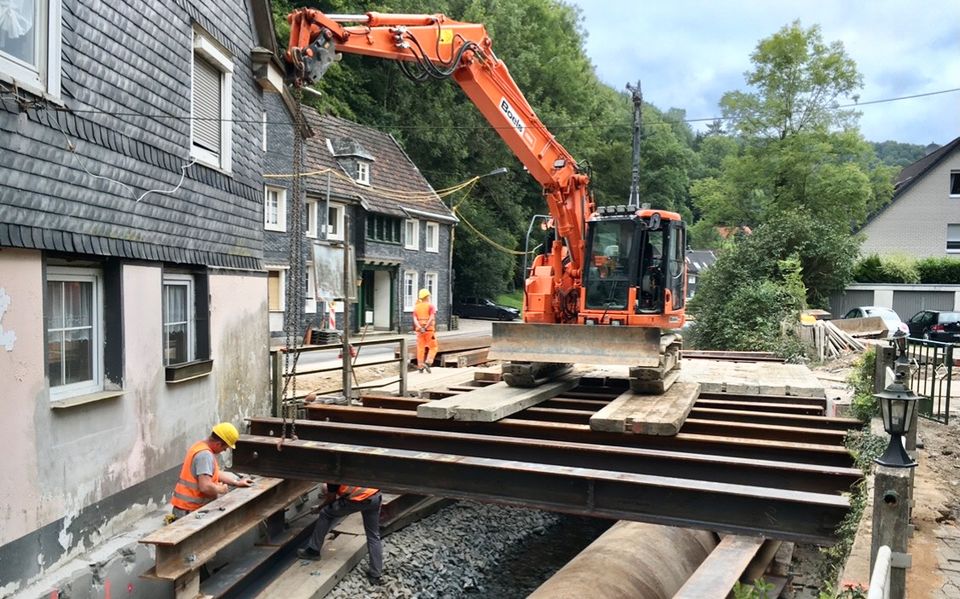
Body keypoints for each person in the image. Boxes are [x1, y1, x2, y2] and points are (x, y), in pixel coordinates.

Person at [297, 483, 383, 583]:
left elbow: (331, 499)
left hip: (359, 500)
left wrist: (319, 507)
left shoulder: (332, 479)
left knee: (326, 513)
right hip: (375, 495)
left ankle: (313, 550)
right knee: (373, 536)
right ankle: (375, 575)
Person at [169, 422, 254, 520]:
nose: (225, 451)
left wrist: (236, 482)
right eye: (225, 448)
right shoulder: (205, 455)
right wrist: (220, 490)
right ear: (218, 444)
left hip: (186, 508)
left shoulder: (200, 446)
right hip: (189, 512)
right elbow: (205, 487)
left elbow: (215, 472)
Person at [412, 288, 438, 373]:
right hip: (429, 330)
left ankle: (420, 366)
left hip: (419, 331)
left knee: (420, 348)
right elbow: (431, 317)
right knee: (433, 347)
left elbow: (415, 319)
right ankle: (428, 362)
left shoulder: (416, 307)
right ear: (427, 296)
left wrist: (419, 327)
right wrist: (425, 327)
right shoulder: (430, 306)